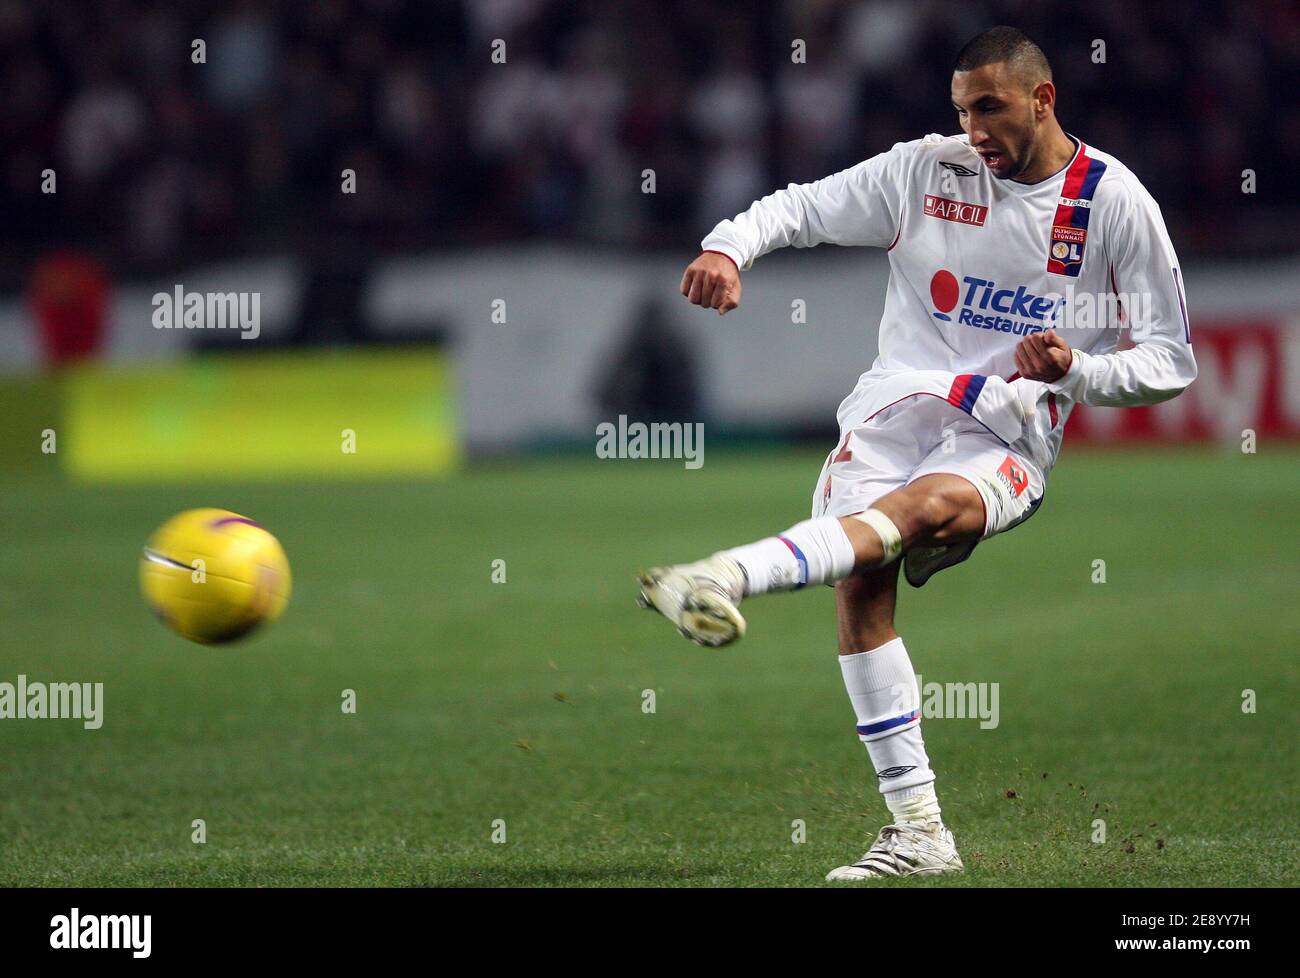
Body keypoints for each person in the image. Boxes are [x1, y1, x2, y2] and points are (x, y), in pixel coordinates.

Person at [636, 26, 1197, 881]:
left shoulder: (1115, 201)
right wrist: (726, 245)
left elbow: (1169, 359)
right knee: (861, 584)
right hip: (892, 411)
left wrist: (1079, 370)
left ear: (1043, 100)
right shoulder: (926, 172)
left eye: (990, 108)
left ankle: (722, 575)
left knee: (920, 511)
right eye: (962, 109)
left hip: (1004, 431)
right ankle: (921, 834)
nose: (972, 128)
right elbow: (802, 206)